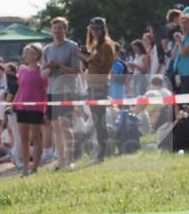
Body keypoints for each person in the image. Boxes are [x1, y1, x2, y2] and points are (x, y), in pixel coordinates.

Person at [42, 17, 82, 170]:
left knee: (64, 124)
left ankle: (70, 159)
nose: (57, 30)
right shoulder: (47, 49)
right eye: (55, 28)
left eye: (60, 28)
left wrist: (60, 67)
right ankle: (61, 160)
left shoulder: (72, 47)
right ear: (51, 30)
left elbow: (76, 71)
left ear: (65, 29)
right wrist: (51, 69)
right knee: (55, 126)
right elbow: (43, 75)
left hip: (67, 89)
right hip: (52, 91)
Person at [77, 16, 116, 163]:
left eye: (97, 28)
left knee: (100, 121)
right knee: (96, 120)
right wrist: (85, 58)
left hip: (100, 85)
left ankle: (102, 155)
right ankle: (99, 153)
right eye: (92, 28)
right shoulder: (95, 45)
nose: (95, 31)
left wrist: (88, 58)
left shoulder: (106, 45)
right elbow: (92, 66)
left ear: (103, 29)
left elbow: (105, 68)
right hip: (92, 85)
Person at [14, 43, 47, 176]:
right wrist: (14, 103)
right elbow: (20, 89)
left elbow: (46, 89)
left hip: (36, 107)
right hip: (22, 106)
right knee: (23, 138)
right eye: (26, 52)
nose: (27, 55)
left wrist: (46, 108)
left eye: (31, 53)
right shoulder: (22, 69)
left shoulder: (41, 71)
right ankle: (25, 167)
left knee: (35, 137)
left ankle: (35, 167)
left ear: (37, 55)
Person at [170, 10, 189, 95]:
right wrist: (177, 42)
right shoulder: (181, 38)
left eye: (186, 23)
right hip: (178, 73)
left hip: (188, 73)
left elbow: (184, 53)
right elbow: (172, 57)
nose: (184, 25)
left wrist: (179, 42)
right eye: (182, 23)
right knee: (177, 96)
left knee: (186, 97)